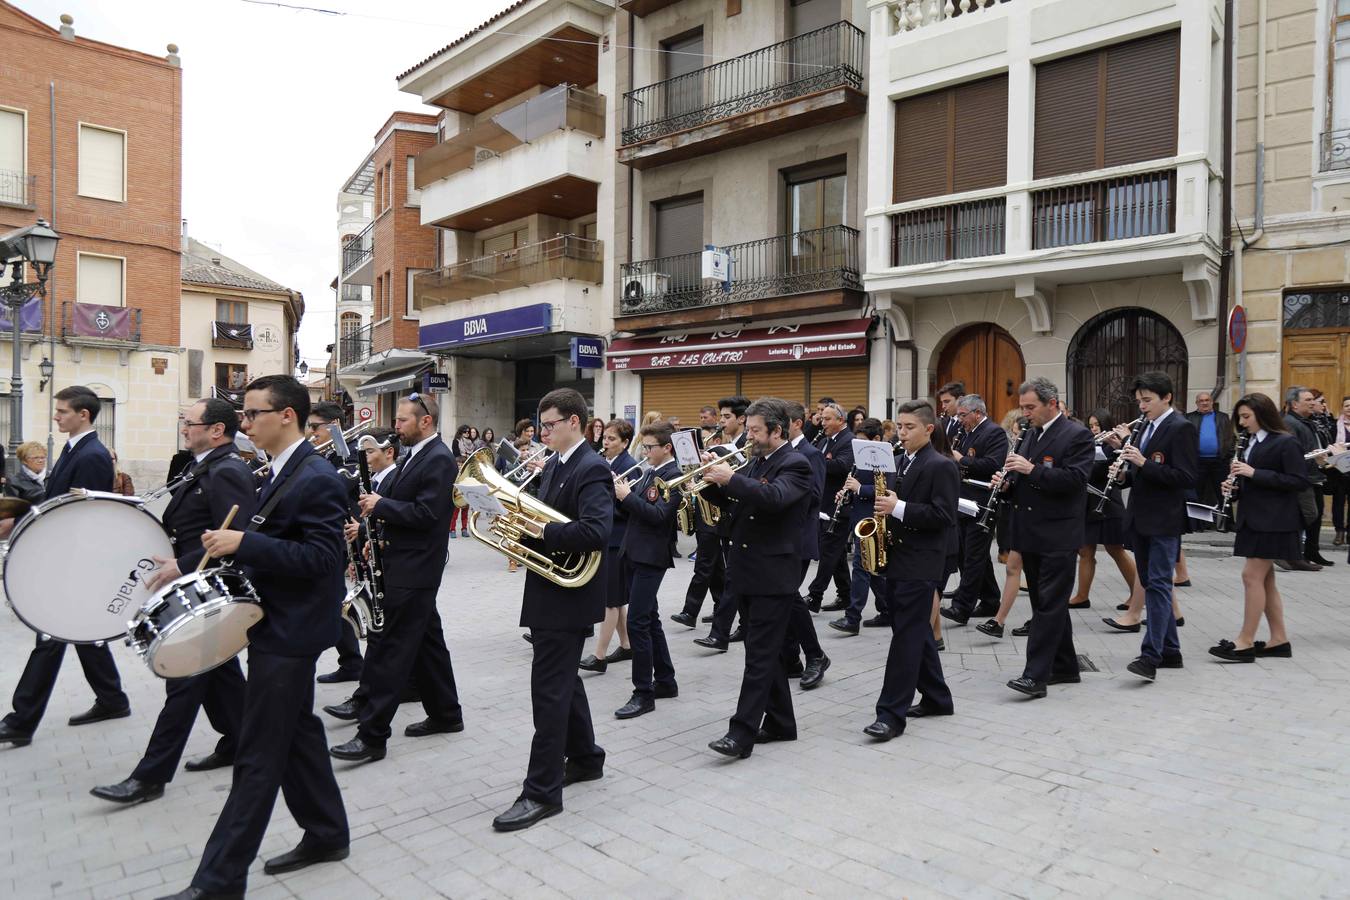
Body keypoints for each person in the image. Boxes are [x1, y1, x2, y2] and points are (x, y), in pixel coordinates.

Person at [160, 375, 350, 898]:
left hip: (293, 633)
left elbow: (323, 561)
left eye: (252, 414)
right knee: (299, 735)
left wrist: (245, 543)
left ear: (285, 415)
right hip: (275, 623)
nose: (243, 424)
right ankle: (328, 833)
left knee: (259, 756)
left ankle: (219, 881)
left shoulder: (317, 477)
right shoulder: (274, 472)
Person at [91, 398, 256, 806]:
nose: (184, 429)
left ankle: (150, 776)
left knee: (183, 680)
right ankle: (238, 741)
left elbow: (236, 537)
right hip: (195, 588)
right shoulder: (200, 464)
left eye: (189, 423)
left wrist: (181, 564)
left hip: (205, 592)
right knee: (219, 675)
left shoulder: (229, 470)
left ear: (216, 430)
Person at [492, 388, 611, 832]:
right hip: (550, 590)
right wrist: (516, 533)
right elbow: (549, 520)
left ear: (574, 422)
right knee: (563, 684)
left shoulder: (592, 467)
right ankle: (586, 758)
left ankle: (541, 793)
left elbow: (596, 530)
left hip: (568, 597)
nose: (541, 432)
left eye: (549, 424)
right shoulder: (559, 463)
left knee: (549, 691)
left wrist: (537, 532)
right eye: (541, 425)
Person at [329, 394, 463, 764]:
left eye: (403, 420)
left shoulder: (437, 459)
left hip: (415, 571)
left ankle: (372, 735)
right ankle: (446, 714)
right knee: (428, 645)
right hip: (404, 564)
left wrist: (380, 506)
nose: (397, 426)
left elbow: (428, 514)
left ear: (425, 422)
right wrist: (378, 536)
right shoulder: (417, 455)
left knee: (390, 651)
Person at [0, 387, 131, 749]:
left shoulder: (91, 455)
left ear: (84, 415)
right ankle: (113, 700)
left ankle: (20, 721)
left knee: (50, 635)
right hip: (69, 558)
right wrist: (19, 516)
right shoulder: (76, 448)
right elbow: (57, 500)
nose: (56, 416)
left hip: (74, 561)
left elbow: (79, 516)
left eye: (62, 412)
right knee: (80, 633)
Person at [700, 398, 813, 759]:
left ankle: (741, 733)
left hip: (774, 573)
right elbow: (739, 504)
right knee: (763, 652)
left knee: (759, 657)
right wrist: (709, 482)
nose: (748, 437)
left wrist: (731, 477)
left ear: (777, 431)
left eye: (754, 431)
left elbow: (774, 498)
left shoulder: (796, 464)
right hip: (748, 569)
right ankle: (781, 722)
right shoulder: (755, 461)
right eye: (747, 430)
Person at [864, 401, 957, 740]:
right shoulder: (902, 461)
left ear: (929, 429)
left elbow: (944, 516)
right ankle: (937, 698)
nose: (901, 433)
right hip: (899, 558)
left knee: (905, 638)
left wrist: (898, 506)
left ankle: (890, 714)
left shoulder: (941, 465)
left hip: (921, 563)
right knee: (914, 632)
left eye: (909, 427)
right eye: (899, 427)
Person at [998, 377, 1094, 699]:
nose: (1025, 414)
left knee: (1049, 605)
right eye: (1023, 407)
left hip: (1058, 533)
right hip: (1030, 531)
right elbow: (1022, 477)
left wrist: (1030, 470)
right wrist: (1007, 482)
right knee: (1044, 602)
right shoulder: (1030, 434)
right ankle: (1065, 666)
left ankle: (1035, 675)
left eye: (1031, 407)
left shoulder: (1076, 434)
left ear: (1052, 404)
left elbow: (1075, 480)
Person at [1104, 371, 1198, 682]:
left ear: (1167, 397)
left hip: (1164, 519)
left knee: (1157, 584)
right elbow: (1137, 473)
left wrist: (1145, 463)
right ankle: (1171, 650)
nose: (1142, 407)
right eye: (1139, 401)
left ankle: (1150, 655)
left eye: (1148, 400)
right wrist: (1122, 474)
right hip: (1140, 517)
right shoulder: (1145, 427)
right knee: (1150, 581)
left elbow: (1185, 478)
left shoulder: (1180, 427)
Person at [1208, 393, 1308, 662]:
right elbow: (1253, 481)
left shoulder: (1285, 442)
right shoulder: (1250, 442)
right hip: (1255, 518)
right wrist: (1234, 487)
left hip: (1275, 521)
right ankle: (1278, 640)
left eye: (1246, 417)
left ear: (1263, 415)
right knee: (1266, 580)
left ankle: (1245, 641)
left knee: (1251, 577)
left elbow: (1298, 480)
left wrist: (1253, 473)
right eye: (1239, 418)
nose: (1241, 423)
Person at [611, 421, 682, 718]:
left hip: (651, 556)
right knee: (649, 619)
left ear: (666, 448)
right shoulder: (650, 471)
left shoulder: (673, 475)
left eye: (650, 447)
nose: (645, 451)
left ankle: (643, 693)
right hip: (635, 551)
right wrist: (618, 493)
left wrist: (627, 497)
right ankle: (665, 680)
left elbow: (658, 516)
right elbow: (634, 510)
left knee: (638, 623)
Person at [308, 403, 365, 686]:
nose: (311, 433)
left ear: (334, 425)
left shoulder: (351, 450)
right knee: (333, 599)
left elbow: (340, 485)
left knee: (333, 599)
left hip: (346, 534)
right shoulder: (327, 452)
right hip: (332, 533)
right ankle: (351, 661)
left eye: (315, 427)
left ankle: (352, 662)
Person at [940, 394, 1008, 624]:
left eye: (963, 415)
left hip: (982, 502)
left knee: (973, 556)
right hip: (962, 501)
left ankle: (962, 607)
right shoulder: (965, 433)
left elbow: (992, 465)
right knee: (968, 553)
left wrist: (961, 461)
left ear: (977, 413)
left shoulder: (994, 432)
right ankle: (990, 600)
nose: (959, 420)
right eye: (958, 415)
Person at [694, 396, 750, 650]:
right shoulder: (728, 445)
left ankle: (721, 633)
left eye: (727, 417)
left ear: (742, 419)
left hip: (747, 523)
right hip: (731, 519)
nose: (722, 422)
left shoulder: (744, 447)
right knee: (734, 578)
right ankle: (742, 627)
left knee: (733, 578)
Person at [780, 401, 830, 689]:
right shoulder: (780, 451)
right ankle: (792, 659)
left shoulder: (811, 453)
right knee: (783, 597)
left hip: (799, 534)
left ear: (797, 423)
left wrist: (777, 492)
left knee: (788, 595)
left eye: (782, 421)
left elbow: (814, 495)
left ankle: (815, 655)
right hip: (780, 534)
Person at [1068, 409, 1139, 610]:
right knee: (1085, 550)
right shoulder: (1091, 445)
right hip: (1089, 503)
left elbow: (1100, 471)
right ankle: (1082, 596)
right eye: (1090, 426)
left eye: (1097, 425)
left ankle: (1137, 594)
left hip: (1109, 504)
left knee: (1115, 549)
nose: (1094, 429)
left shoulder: (1113, 446)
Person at [580, 419, 635, 672]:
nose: (606, 442)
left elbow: (630, 508)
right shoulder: (606, 463)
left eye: (613, 439)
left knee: (610, 600)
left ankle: (599, 656)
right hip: (607, 537)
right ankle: (626, 645)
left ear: (625, 443)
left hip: (619, 539)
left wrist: (609, 500)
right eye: (606, 438)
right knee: (616, 598)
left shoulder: (630, 467)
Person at [832, 418, 889, 634]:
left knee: (861, 568)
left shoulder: (884, 459)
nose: (859, 448)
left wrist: (859, 489)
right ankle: (887, 610)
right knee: (872, 569)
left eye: (862, 442)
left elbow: (886, 490)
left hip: (873, 520)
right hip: (860, 518)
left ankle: (852, 618)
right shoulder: (862, 461)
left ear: (876, 440)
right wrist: (846, 495)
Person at [803, 403, 854, 613]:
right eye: (822, 419)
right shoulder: (824, 440)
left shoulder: (849, 440)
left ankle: (815, 595)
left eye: (827, 419)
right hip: (824, 503)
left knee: (828, 551)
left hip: (839, 504)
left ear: (840, 421)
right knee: (836, 553)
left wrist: (816, 461)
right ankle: (846, 594)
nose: (823, 423)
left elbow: (842, 466)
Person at [1283, 386, 1335, 568]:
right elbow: (1291, 452)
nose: (1313, 402)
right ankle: (1291, 554)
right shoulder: (1291, 423)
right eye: (1308, 400)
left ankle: (1308, 552)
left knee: (1314, 514)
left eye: (1313, 399)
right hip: (1302, 477)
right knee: (1307, 514)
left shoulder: (1307, 421)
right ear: (1295, 404)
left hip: (1313, 474)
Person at [1185, 391, 1232, 517]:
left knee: (1224, 492)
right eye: (1201, 401)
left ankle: (1226, 523)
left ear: (1212, 402)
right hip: (1198, 462)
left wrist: (1228, 455)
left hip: (1220, 461)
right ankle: (1198, 524)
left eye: (1207, 400)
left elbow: (1229, 437)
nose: (1205, 403)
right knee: (1197, 493)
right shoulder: (1189, 418)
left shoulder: (1223, 417)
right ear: (1196, 403)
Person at [1334, 397, 1350, 547]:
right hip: (1340, 469)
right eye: (1347, 405)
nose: (1349, 408)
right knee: (1338, 502)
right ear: (1342, 408)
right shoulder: (1335, 425)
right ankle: (1339, 532)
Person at [936, 381, 965, 446]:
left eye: (947, 401)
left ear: (960, 400)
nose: (943, 406)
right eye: (942, 402)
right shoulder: (943, 421)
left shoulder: (966, 422)